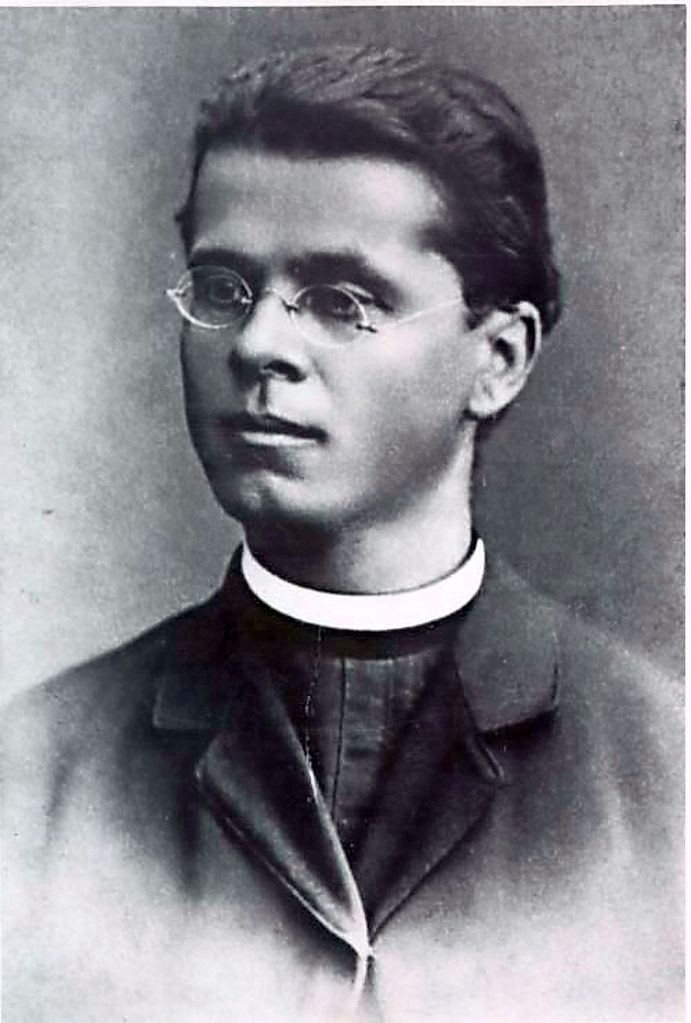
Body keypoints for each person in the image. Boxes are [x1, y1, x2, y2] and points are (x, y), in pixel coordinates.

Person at [2, 45, 682, 1023]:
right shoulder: (34, 775)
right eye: (223, 290)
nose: (258, 346)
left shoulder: (662, 777)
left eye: (339, 301)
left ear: (497, 360)